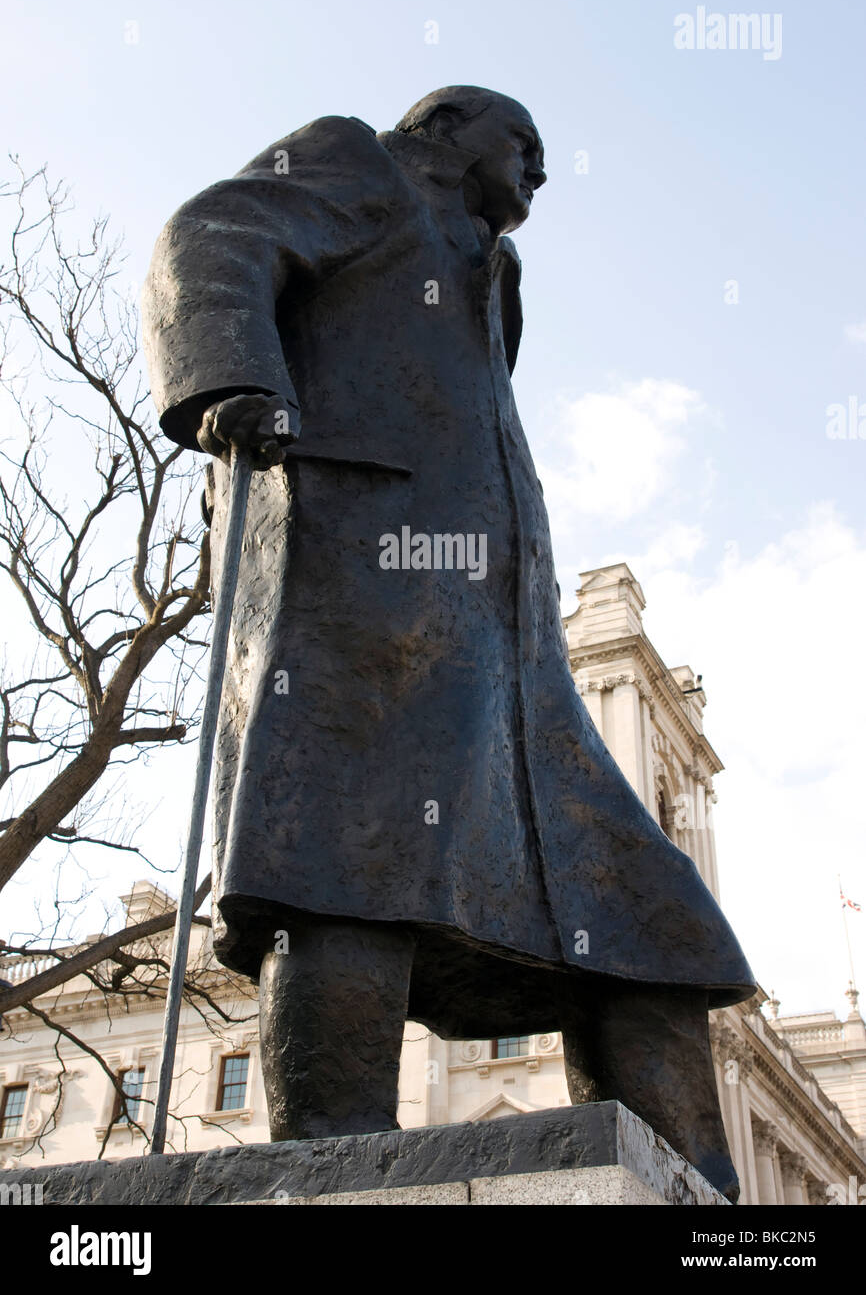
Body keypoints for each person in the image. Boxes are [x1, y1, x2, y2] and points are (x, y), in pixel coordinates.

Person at [143, 87, 755, 1200]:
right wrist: (231, 377)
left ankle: (701, 1198)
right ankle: (332, 1156)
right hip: (357, 578)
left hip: (503, 646)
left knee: (645, 914)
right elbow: (211, 233)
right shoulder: (356, 161)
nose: (538, 174)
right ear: (447, 126)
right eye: (523, 145)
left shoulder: (489, 271)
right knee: (341, 852)